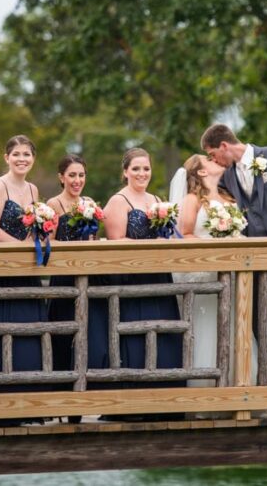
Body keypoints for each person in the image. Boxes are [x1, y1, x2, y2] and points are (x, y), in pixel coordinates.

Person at [201, 123, 267, 410]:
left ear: (224, 146)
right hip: (251, 265)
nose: (214, 161)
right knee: (257, 329)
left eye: (213, 154)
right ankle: (265, 394)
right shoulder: (228, 176)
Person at [102, 148, 185, 415]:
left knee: (164, 332)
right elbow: (116, 242)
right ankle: (134, 400)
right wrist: (151, 243)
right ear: (125, 171)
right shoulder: (118, 201)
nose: (142, 174)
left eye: (146, 169)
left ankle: (166, 398)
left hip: (159, 277)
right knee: (136, 335)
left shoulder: (156, 199)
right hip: (131, 279)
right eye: (136, 169)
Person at [0, 135, 52, 412]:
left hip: (26, 269)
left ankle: (27, 399)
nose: (22, 159)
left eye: (27, 155)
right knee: (2, 329)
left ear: (33, 159)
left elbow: (34, 226)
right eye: (17, 154)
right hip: (2, 268)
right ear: (6, 157)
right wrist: (19, 248)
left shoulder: (32, 189)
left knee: (29, 330)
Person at [173, 154, 258, 390]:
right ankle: (206, 390)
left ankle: (239, 386)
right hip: (206, 274)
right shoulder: (192, 200)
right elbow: (185, 234)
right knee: (208, 327)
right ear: (201, 172)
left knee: (234, 325)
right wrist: (215, 247)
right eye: (208, 160)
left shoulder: (228, 197)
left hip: (232, 274)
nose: (215, 161)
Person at [45, 154, 104, 423]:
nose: (77, 180)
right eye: (72, 175)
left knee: (88, 336)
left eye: (81, 175)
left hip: (87, 278)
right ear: (61, 177)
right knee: (62, 336)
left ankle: (82, 400)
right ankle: (60, 398)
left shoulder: (89, 204)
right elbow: (49, 244)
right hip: (63, 279)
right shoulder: (52, 205)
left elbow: (93, 240)